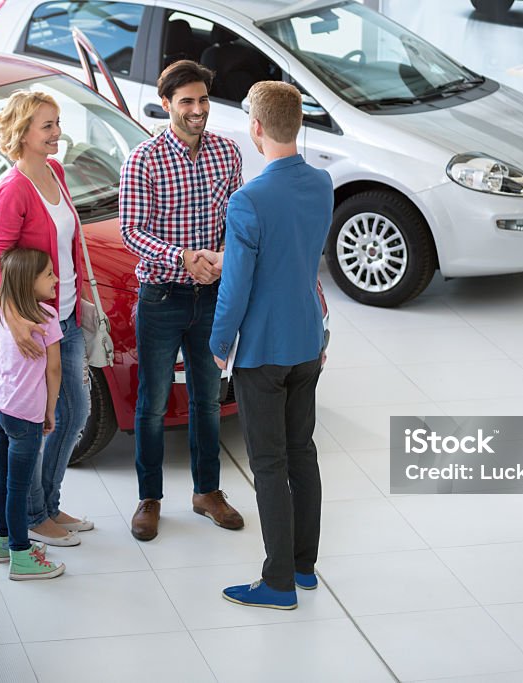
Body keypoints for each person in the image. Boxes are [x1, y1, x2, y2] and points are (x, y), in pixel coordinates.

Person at [208, 81, 333, 610]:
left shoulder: (248, 199)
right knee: (302, 452)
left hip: (263, 350)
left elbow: (236, 285)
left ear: (256, 128)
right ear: (296, 124)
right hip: (308, 340)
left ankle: (277, 582)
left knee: (270, 464)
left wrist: (218, 344)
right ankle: (304, 567)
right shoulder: (323, 183)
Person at [118, 60, 244, 541]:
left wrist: (223, 257)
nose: (197, 110)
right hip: (162, 295)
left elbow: (237, 220)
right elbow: (131, 231)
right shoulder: (144, 160)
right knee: (151, 403)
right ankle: (149, 498)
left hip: (212, 296)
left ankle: (207, 492)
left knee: (207, 400)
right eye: (187, 101)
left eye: (203, 100)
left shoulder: (227, 154)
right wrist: (182, 256)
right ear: (166, 103)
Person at [0, 90, 92, 547]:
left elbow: (67, 247)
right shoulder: (13, 190)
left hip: (65, 317)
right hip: (35, 324)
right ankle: (33, 514)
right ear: (23, 134)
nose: (57, 133)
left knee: (73, 413)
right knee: (36, 422)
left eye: (57, 123)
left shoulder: (55, 171)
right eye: (47, 126)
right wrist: (13, 319)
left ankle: (47, 504)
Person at [0, 247, 66, 581]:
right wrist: (50, 411)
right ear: (29, 281)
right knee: (19, 488)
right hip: (26, 415)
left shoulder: (7, 312)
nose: (56, 278)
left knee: (1, 478)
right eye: (48, 274)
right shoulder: (47, 318)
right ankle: (22, 556)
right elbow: (55, 370)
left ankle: (4, 543)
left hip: (0, 407)